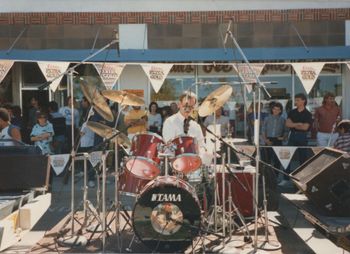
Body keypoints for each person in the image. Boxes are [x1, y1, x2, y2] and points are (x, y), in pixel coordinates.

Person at [279, 93, 313, 187]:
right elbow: (287, 124)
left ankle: (302, 180)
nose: (296, 102)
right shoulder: (292, 112)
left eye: (298, 100)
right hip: (292, 135)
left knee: (303, 158)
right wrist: (298, 124)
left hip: (302, 136)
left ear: (303, 101)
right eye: (295, 100)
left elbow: (305, 127)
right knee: (287, 157)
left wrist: (294, 124)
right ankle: (285, 179)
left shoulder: (307, 114)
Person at [262, 102, 288, 169]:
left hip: (278, 140)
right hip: (268, 139)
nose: (276, 111)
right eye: (274, 109)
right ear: (272, 109)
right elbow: (263, 130)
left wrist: (283, 137)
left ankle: (276, 176)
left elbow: (286, 131)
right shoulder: (267, 119)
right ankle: (267, 176)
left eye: (278, 109)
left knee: (277, 160)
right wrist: (266, 140)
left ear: (280, 111)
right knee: (267, 159)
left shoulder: (283, 120)